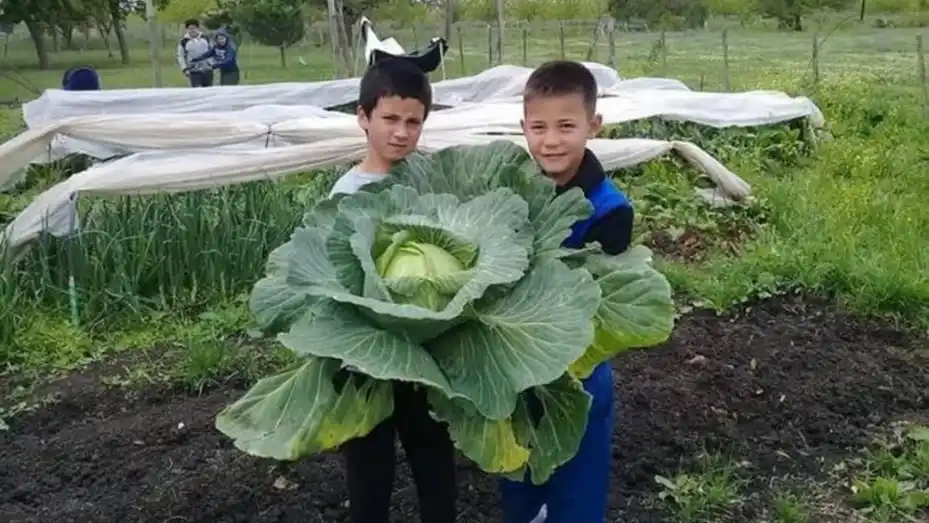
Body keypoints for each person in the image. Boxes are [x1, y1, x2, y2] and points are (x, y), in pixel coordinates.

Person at [499, 60, 635, 523]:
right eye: (538, 127)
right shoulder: (512, 189)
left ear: (592, 126)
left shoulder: (611, 211)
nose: (550, 140)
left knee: (576, 485)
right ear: (523, 128)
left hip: (576, 373)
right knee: (517, 476)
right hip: (511, 368)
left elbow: (602, 307)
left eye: (565, 126)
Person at [329, 58, 457, 523]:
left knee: (436, 468)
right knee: (368, 474)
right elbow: (333, 280)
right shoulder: (345, 195)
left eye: (413, 122)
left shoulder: (433, 178)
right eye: (389, 119)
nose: (401, 133)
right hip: (366, 361)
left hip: (430, 357)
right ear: (363, 117)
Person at [177, 19, 213, 88]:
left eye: (194, 28)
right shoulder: (184, 41)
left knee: (208, 91)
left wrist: (211, 63)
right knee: (198, 90)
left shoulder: (205, 38)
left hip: (207, 70)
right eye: (190, 28)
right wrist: (184, 69)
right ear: (187, 29)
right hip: (194, 71)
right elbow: (180, 56)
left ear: (198, 28)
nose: (192, 30)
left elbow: (212, 51)